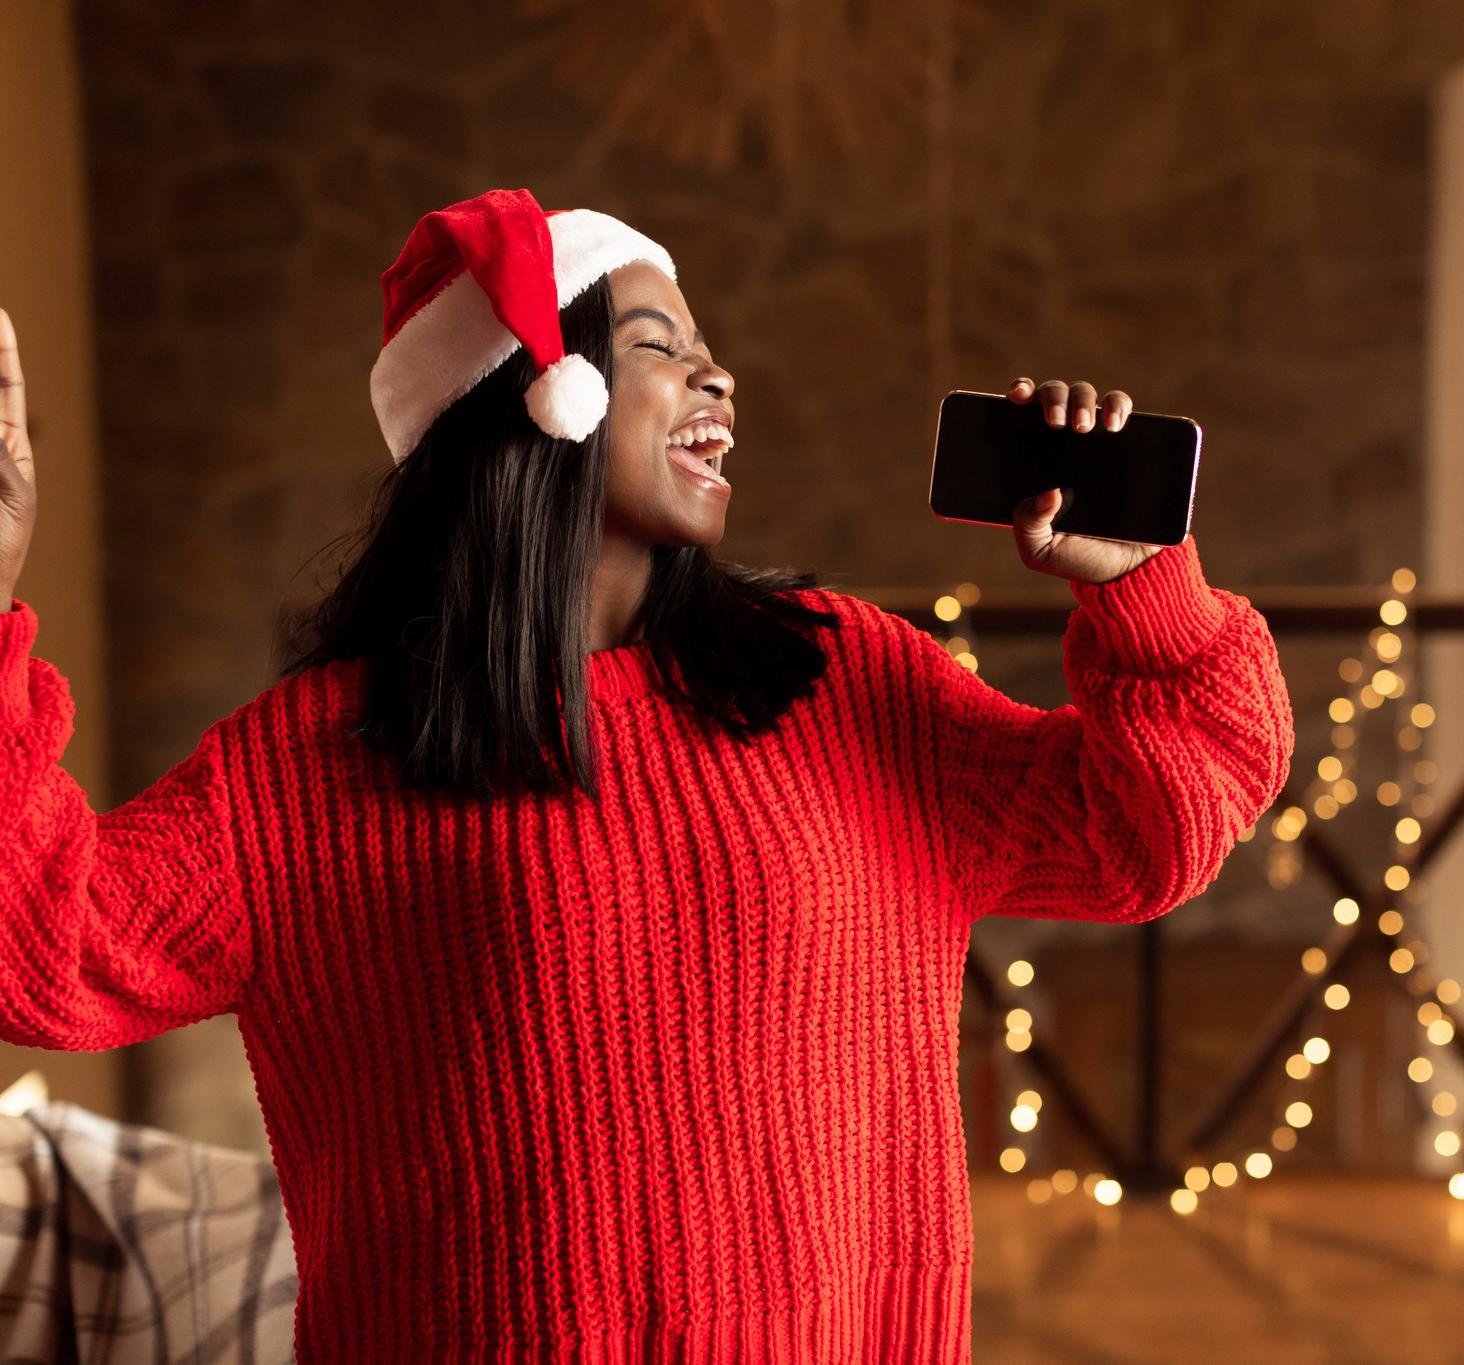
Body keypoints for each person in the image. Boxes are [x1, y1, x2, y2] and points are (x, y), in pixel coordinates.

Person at [0, 187, 1295, 1361]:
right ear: (540, 400)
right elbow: (40, 945)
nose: (716, 375)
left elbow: (1154, 828)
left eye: (704, 345)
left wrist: (1141, 590)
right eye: (659, 350)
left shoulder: (839, 681)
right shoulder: (314, 769)